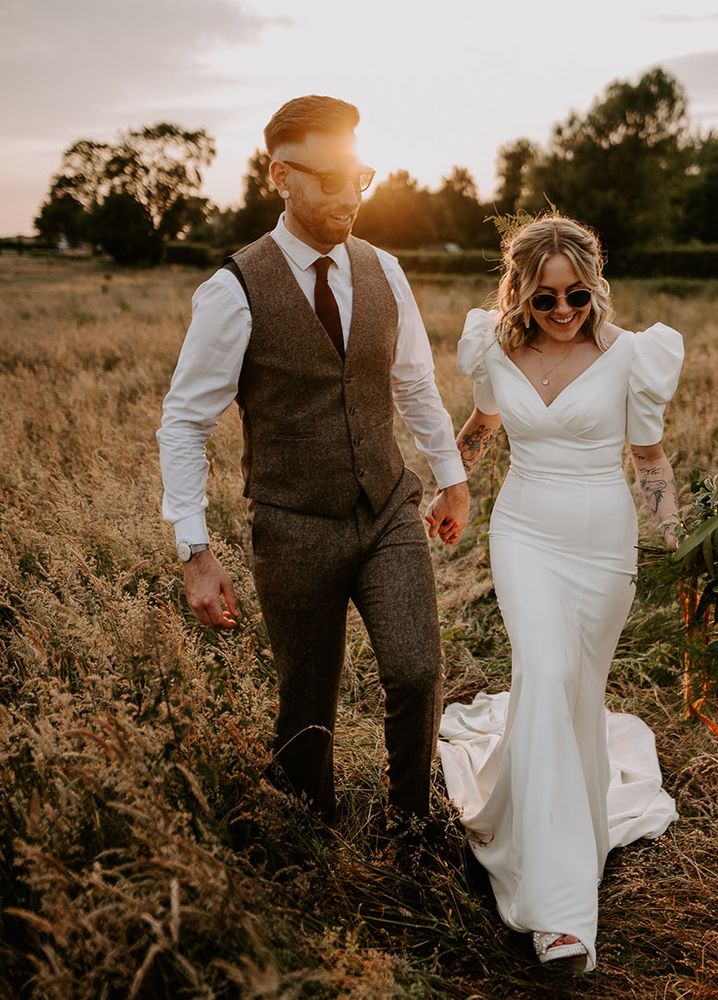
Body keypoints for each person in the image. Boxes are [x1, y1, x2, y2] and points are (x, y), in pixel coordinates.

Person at [157, 95, 470, 829]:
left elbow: (414, 384)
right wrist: (194, 551)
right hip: (293, 524)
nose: (347, 196)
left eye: (358, 176)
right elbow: (184, 423)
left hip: (388, 508)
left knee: (418, 669)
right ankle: (307, 834)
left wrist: (451, 478)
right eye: (326, 179)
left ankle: (411, 822)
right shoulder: (232, 290)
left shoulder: (385, 271)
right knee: (307, 704)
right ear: (280, 177)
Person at [436, 215, 682, 972]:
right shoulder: (495, 349)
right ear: (520, 294)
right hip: (524, 535)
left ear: (595, 284)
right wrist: (447, 486)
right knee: (542, 674)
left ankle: (552, 815)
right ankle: (562, 913)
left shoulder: (634, 358)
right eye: (546, 300)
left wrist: (685, 548)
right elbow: (480, 426)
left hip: (603, 545)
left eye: (577, 293)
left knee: (577, 694)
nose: (565, 310)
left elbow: (649, 460)